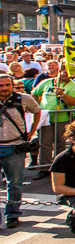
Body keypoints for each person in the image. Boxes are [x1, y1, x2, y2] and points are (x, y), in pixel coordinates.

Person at [0, 75, 41, 229]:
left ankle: (12, 215)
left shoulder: (24, 98)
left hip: (15, 146)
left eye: (7, 85)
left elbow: (37, 111)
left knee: (15, 184)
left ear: (12, 85)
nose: (4, 88)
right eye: (1, 85)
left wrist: (31, 132)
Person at [32, 67, 75, 180]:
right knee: (45, 143)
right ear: (58, 72)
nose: (66, 75)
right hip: (46, 119)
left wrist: (62, 94)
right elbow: (34, 93)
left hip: (62, 119)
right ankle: (44, 168)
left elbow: (73, 102)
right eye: (64, 73)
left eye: (69, 73)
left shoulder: (73, 86)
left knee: (60, 143)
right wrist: (36, 106)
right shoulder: (46, 82)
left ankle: (59, 166)